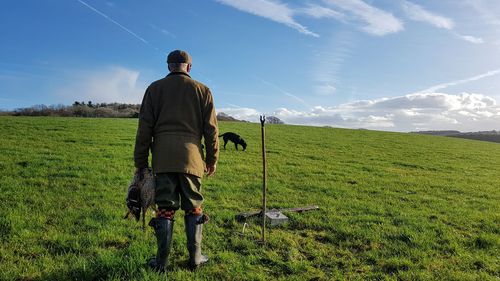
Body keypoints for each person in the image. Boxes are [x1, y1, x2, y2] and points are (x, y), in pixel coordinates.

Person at [134, 49, 219, 272]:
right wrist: (212, 159)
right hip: (192, 159)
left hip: (163, 158)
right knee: (194, 207)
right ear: (189, 67)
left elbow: (144, 129)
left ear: (168, 66)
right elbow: (211, 130)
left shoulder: (154, 89)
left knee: (165, 208)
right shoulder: (203, 90)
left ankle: (161, 262)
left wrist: (141, 163)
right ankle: (196, 259)